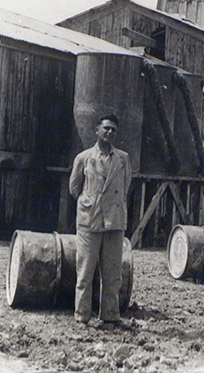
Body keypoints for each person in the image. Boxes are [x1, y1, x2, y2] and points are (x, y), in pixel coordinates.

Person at [69, 114, 132, 327]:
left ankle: (110, 315)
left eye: (113, 129)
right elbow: (74, 188)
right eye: (106, 128)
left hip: (115, 221)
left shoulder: (123, 159)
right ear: (96, 130)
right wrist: (90, 202)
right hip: (90, 220)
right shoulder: (84, 158)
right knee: (85, 271)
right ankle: (82, 315)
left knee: (113, 273)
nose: (110, 132)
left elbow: (125, 186)